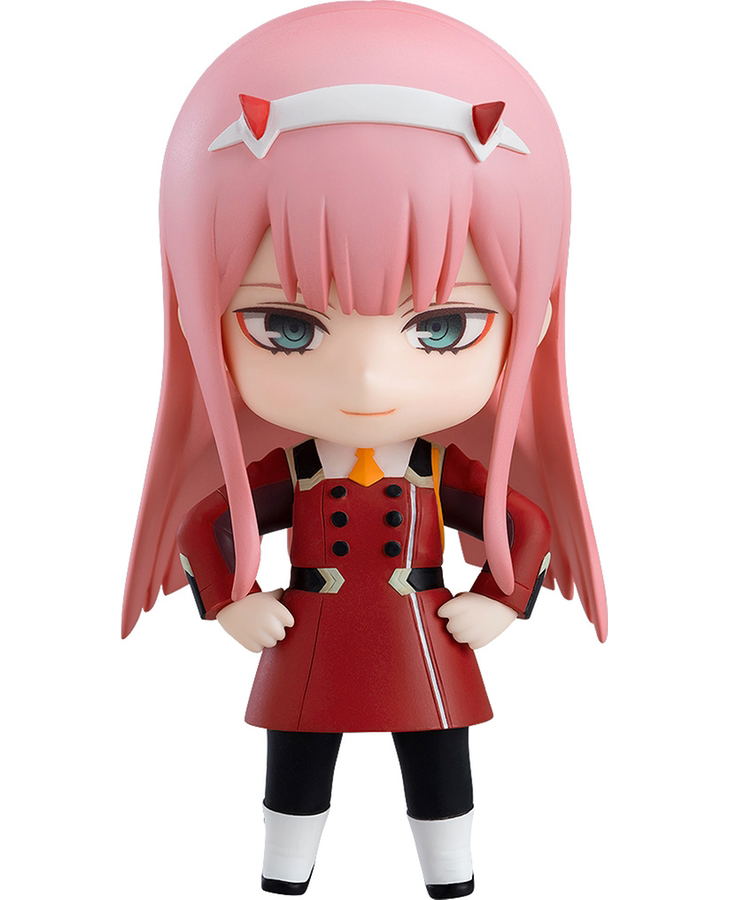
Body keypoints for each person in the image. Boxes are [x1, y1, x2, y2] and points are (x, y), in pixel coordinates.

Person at [123, 4, 606, 897]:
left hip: (425, 638)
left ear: (533, 319)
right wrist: (230, 602)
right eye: (287, 326)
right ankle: (285, 871)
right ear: (199, 316)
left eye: (442, 326)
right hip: (308, 639)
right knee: (297, 767)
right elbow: (206, 524)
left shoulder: (437, 473)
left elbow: (525, 523)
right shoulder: (296, 473)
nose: (370, 377)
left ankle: (450, 874)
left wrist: (503, 599)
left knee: (440, 766)